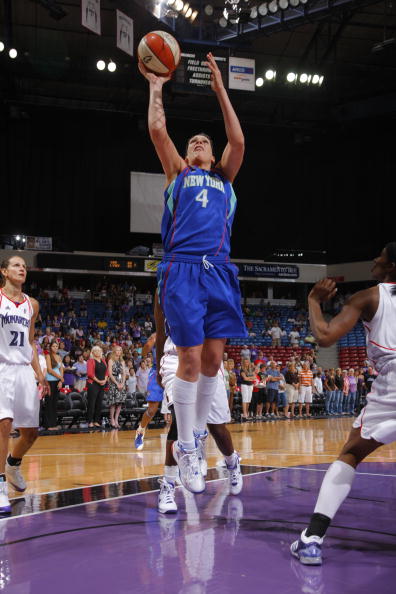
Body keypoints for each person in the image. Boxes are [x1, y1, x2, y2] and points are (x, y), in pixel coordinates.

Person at [139, 52, 246, 493]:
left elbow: (237, 142)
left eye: (206, 140)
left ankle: (197, 436)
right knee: (187, 359)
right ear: (186, 153)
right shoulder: (178, 174)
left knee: (214, 363)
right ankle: (186, 445)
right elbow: (157, 130)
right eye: (194, 140)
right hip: (182, 270)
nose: (200, 141)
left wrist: (221, 89)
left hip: (218, 271)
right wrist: (156, 85)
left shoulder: (225, 179)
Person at [291, 242, 396, 565]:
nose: (374, 262)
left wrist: (313, 300)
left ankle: (312, 538)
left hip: (392, 384)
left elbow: (323, 336)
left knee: (351, 453)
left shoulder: (369, 297)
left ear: (391, 266)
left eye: (380, 258)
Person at [0, 256, 49, 513]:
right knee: (4, 424)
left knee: (30, 433)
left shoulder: (32, 304)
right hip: (2, 367)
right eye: (17, 265)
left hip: (23, 369)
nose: (22, 269)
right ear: (4, 271)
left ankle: (13, 464)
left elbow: (31, 341)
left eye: (24, 266)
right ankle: (0, 487)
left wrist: (39, 373)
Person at [134, 332, 164, 450]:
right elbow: (144, 351)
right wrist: (151, 342)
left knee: (178, 407)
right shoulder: (158, 334)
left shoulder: (181, 329)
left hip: (176, 370)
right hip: (157, 372)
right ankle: (140, 431)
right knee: (152, 409)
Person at [44, 339, 64, 430]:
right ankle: (48, 425)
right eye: (53, 346)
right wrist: (60, 377)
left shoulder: (59, 356)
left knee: (54, 403)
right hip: (50, 381)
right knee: (49, 403)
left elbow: (61, 369)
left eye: (56, 346)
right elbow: (49, 370)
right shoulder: (48, 356)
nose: (55, 348)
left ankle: (53, 424)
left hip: (57, 381)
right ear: (50, 347)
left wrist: (60, 381)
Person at [86, 345, 108, 428]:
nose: (98, 352)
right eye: (96, 351)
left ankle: (96, 421)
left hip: (102, 384)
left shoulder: (103, 361)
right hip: (93, 384)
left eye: (99, 351)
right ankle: (90, 421)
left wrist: (105, 380)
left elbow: (107, 372)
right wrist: (99, 381)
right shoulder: (90, 361)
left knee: (99, 403)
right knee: (92, 403)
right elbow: (90, 374)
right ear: (93, 352)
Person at [107, 345, 127, 429]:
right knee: (113, 402)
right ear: (114, 351)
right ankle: (112, 419)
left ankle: (116, 420)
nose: (119, 351)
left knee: (120, 402)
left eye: (120, 350)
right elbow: (110, 373)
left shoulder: (122, 361)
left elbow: (124, 373)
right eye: (117, 350)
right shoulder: (111, 360)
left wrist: (122, 383)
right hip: (113, 382)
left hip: (121, 382)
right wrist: (116, 383)